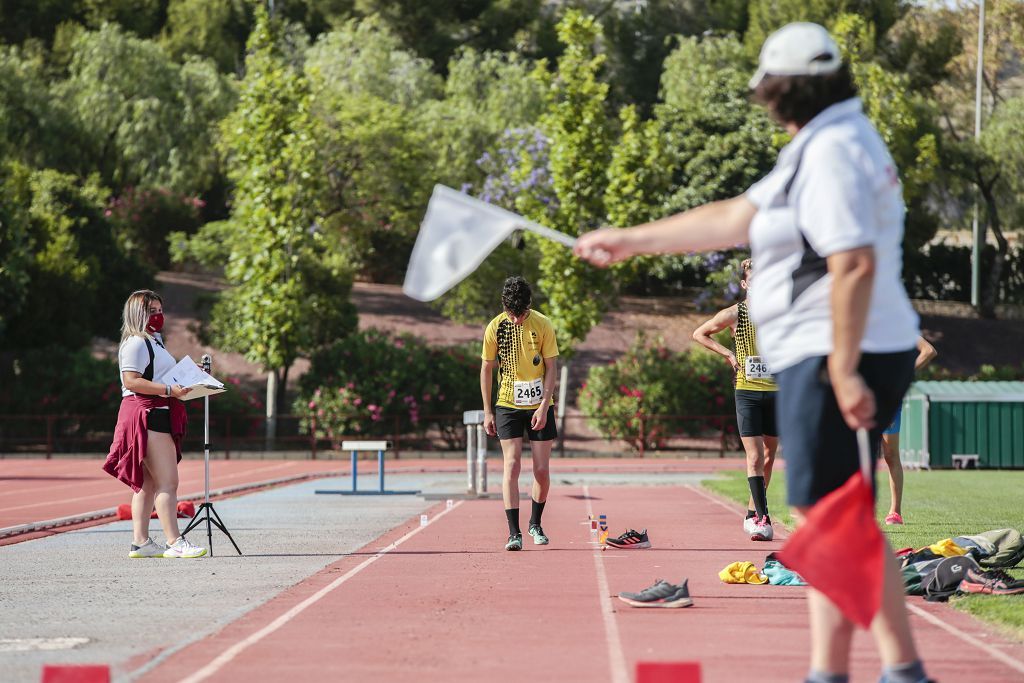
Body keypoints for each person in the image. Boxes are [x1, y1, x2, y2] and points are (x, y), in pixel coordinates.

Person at [575, 22, 930, 683]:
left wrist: (846, 367)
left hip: (835, 351)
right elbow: (740, 216)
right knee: (826, 515)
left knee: (834, 515)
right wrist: (631, 239)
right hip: (821, 351)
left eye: (769, 93)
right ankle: (847, 669)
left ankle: (893, 668)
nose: (766, 105)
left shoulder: (834, 151)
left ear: (789, 90)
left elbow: (851, 263)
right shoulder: (821, 142)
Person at [103, 289, 207, 559]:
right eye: (152, 311)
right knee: (168, 483)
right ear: (138, 313)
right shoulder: (137, 342)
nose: (158, 316)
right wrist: (170, 391)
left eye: (160, 310)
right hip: (146, 413)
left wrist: (190, 373)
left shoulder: (153, 341)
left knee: (147, 484)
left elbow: (159, 376)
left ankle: (141, 542)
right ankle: (175, 542)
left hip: (153, 411)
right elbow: (131, 381)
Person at [692, 259, 778, 541]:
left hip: (777, 392)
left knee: (768, 456)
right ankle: (763, 519)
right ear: (745, 284)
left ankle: (753, 512)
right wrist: (728, 354)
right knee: (753, 456)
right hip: (748, 390)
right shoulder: (735, 313)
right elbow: (699, 333)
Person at [480, 276, 559, 551]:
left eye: (521, 314)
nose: (516, 320)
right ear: (505, 307)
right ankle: (514, 533)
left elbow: (552, 368)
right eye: (511, 314)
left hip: (540, 405)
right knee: (512, 465)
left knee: (541, 469)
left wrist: (544, 405)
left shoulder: (543, 324)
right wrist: (488, 411)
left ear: (529, 306)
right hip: (507, 404)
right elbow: (487, 369)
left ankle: (535, 523)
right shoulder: (495, 326)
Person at [880, 336, 937, 525]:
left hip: (888, 399)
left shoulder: (898, 324)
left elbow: (929, 350)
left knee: (890, 454)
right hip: (858, 395)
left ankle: (895, 512)